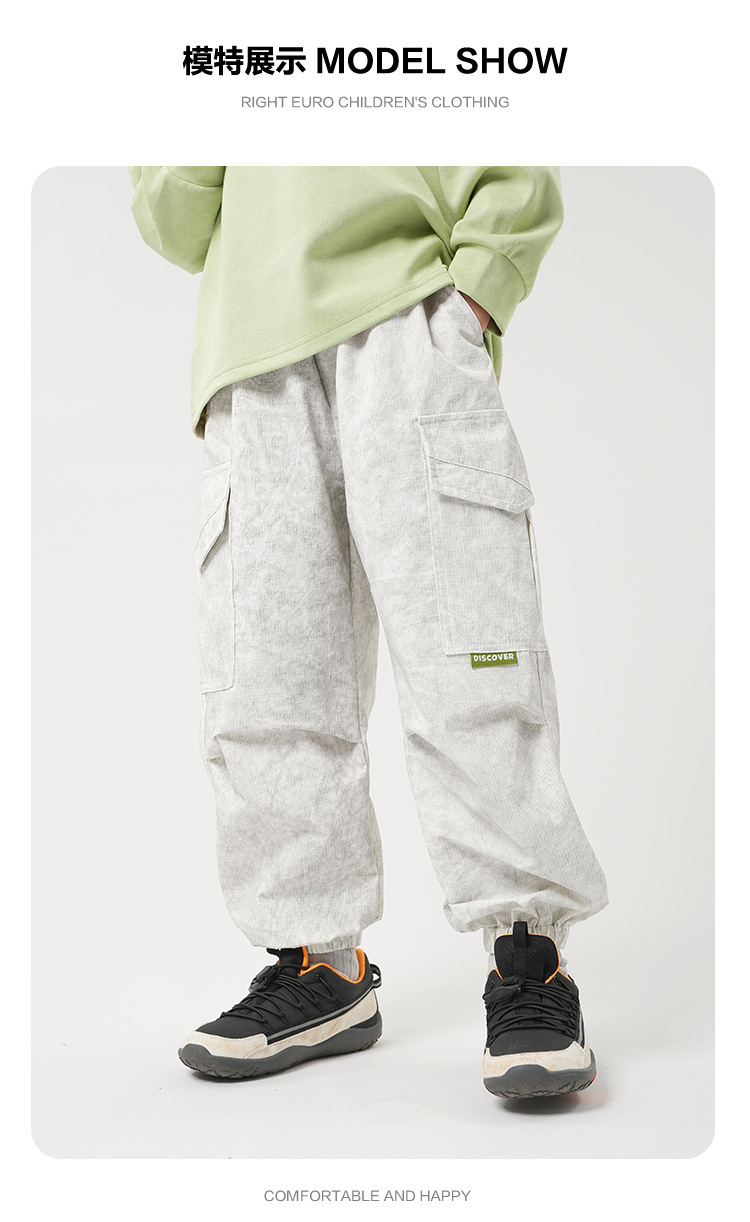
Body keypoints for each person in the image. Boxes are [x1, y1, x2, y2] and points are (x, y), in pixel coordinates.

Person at [129, 166, 608, 1098]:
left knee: (470, 659)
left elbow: (514, 148)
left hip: (409, 314)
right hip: (249, 356)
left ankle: (529, 956)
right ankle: (321, 966)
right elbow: (173, 221)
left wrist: (476, 292)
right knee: (268, 683)